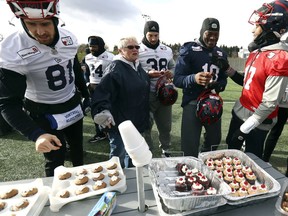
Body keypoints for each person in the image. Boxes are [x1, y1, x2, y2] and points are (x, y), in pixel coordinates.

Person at [0, 0, 90, 177]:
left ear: (55, 20)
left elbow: (74, 68)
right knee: (55, 160)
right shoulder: (11, 49)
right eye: (31, 24)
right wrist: (36, 134)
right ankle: (56, 197)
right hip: (43, 111)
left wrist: (85, 94)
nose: (40, 31)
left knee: (77, 151)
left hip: (71, 104)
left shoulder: (68, 38)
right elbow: (7, 104)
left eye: (45, 23)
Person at [225, 0, 288, 159]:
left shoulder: (278, 58)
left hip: (257, 122)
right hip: (240, 112)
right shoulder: (256, 53)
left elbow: (269, 103)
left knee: (251, 161)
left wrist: (244, 129)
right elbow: (247, 83)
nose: (253, 30)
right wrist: (228, 70)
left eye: (258, 25)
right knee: (230, 157)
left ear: (270, 27)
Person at [90, 36, 150, 168]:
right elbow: (102, 92)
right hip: (120, 123)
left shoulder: (136, 65)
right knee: (118, 156)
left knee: (133, 156)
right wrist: (102, 110)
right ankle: (115, 185)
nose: (135, 49)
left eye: (137, 47)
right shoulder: (115, 68)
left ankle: (132, 183)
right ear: (121, 50)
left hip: (135, 121)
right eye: (130, 47)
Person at [173, 18, 228, 157]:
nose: (212, 37)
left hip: (213, 102)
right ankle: (190, 172)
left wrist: (219, 85)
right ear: (202, 32)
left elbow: (223, 78)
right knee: (189, 145)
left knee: (214, 141)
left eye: (216, 34)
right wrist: (194, 78)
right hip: (193, 101)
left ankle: (205, 163)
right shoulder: (189, 49)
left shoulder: (221, 53)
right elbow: (177, 79)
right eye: (209, 33)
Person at [138, 20, 176, 155]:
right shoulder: (137, 50)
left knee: (165, 126)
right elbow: (132, 71)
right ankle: (147, 151)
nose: (153, 38)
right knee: (146, 126)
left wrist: (172, 73)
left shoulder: (167, 50)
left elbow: (173, 66)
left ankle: (165, 149)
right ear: (145, 34)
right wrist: (147, 74)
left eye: (156, 35)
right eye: (150, 35)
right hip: (146, 94)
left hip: (165, 93)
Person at [83, 36, 114, 143]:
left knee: (109, 110)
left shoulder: (111, 57)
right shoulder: (87, 57)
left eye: (94, 46)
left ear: (100, 46)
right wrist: (87, 83)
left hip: (106, 87)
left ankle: (111, 132)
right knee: (95, 111)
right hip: (92, 87)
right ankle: (100, 133)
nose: (92, 48)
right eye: (90, 46)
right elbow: (86, 72)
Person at [262, 86, 288, 162]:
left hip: (283, 104)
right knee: (268, 129)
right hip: (277, 102)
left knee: (276, 132)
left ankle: (265, 159)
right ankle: (264, 158)